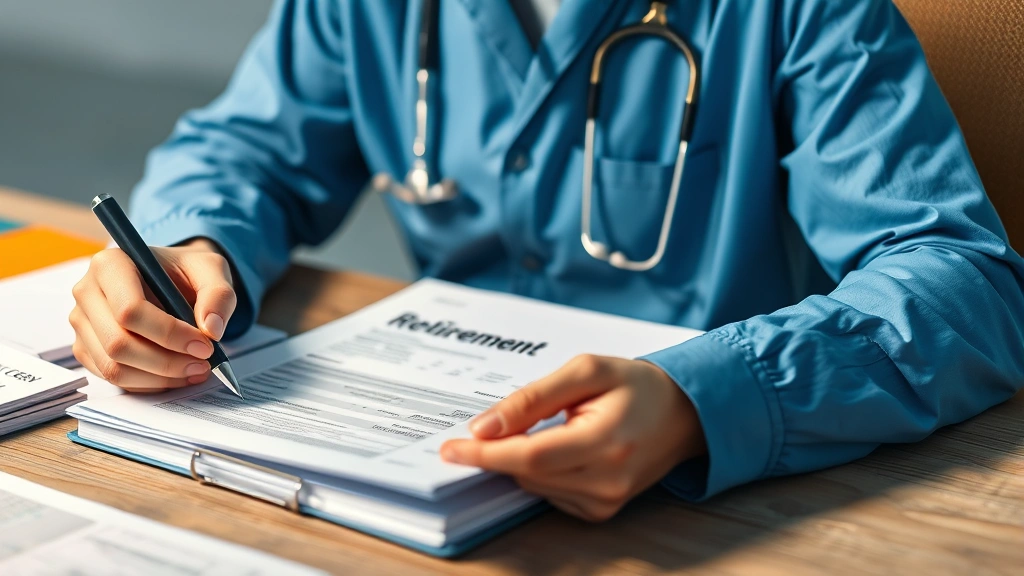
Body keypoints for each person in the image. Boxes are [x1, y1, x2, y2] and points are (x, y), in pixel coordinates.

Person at [69, 0, 1024, 522]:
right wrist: (190, 247)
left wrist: (704, 401)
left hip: (707, 505)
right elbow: (242, 151)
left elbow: (962, 280)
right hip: (420, 475)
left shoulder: (807, 12)